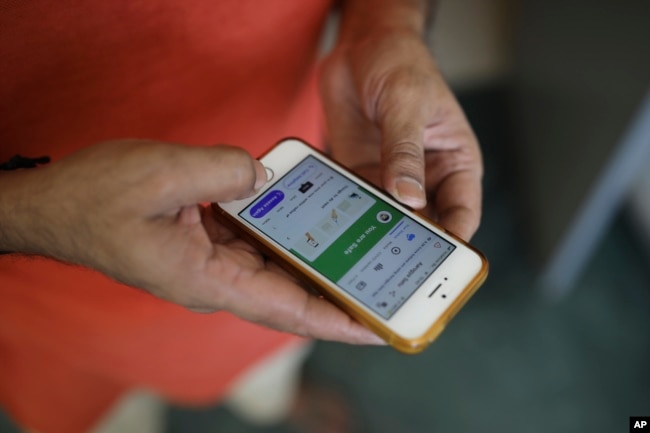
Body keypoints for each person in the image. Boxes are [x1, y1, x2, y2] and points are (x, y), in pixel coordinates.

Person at [0, 0, 483, 432]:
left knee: (268, 351)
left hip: (274, 210)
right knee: (100, 414)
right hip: (51, 301)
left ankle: (272, 400)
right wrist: (34, 215)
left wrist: (386, 25)